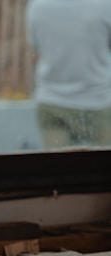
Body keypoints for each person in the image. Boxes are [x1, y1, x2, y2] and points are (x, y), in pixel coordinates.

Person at [25, 0, 111, 148]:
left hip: (52, 100)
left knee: (59, 168)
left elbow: (36, 46)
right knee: (102, 168)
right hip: (97, 101)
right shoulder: (103, 5)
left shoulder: (38, 6)